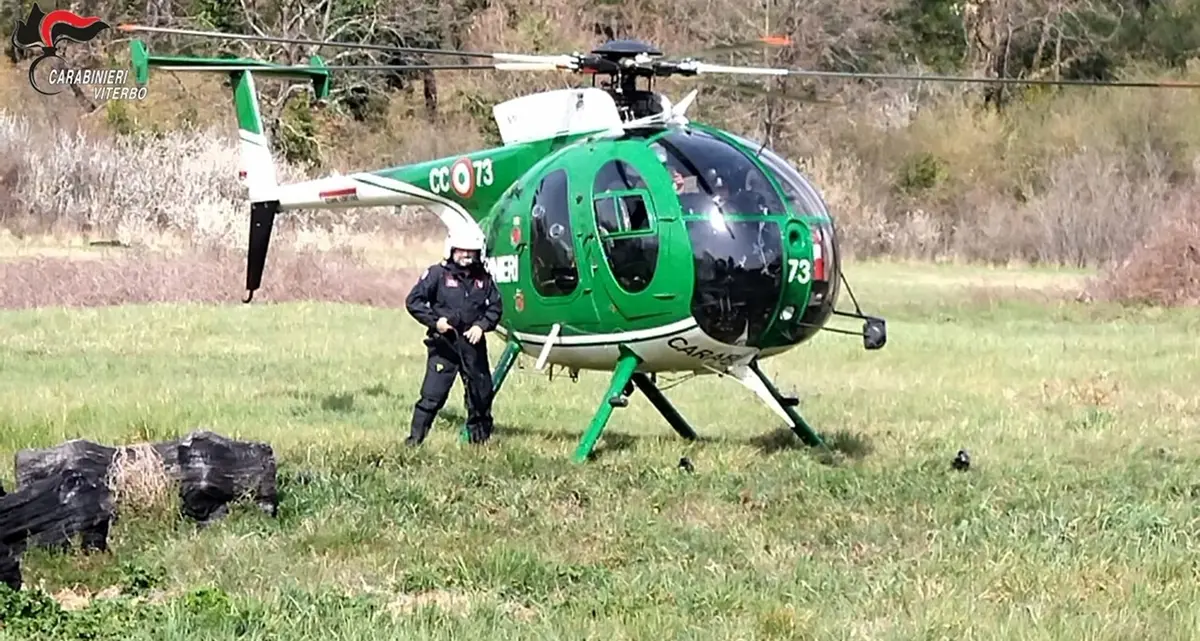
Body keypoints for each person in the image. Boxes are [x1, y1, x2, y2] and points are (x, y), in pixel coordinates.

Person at [404, 229, 503, 446]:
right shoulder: (436, 274)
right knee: (432, 396)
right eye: (462, 251)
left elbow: (495, 307)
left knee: (481, 395)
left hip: (473, 346)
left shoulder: (484, 279)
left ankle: (479, 444)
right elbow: (414, 302)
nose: (466, 255)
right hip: (444, 345)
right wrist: (435, 322)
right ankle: (414, 442)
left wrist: (481, 326)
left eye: (471, 251)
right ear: (452, 250)